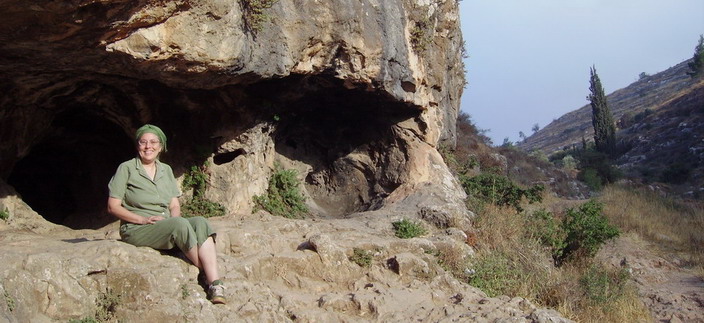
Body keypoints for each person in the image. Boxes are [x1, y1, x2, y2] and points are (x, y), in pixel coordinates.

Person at [107, 124, 226, 304]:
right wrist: (143, 219)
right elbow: (113, 207)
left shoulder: (166, 170)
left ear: (161, 146)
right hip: (136, 228)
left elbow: (174, 205)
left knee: (200, 222)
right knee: (179, 225)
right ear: (137, 145)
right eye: (143, 142)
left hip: (162, 224)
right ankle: (209, 276)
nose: (148, 147)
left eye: (153, 142)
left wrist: (174, 222)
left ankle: (216, 284)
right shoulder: (127, 168)